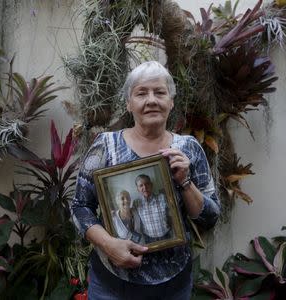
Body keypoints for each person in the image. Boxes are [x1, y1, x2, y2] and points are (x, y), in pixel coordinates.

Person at [70, 61, 220, 300]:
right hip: (111, 285)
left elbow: (210, 217)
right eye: (141, 93)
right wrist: (109, 245)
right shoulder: (105, 146)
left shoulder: (188, 148)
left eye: (160, 92)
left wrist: (185, 182)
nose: (151, 100)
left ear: (171, 102)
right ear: (129, 104)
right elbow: (80, 206)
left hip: (173, 287)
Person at [132, 174, 172, 243]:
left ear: (151, 185)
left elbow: (172, 214)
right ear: (138, 189)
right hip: (149, 239)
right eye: (141, 185)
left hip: (166, 236)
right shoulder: (136, 203)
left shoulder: (162, 197)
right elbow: (130, 218)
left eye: (147, 184)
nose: (145, 187)